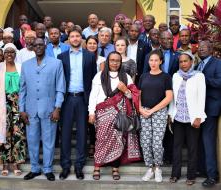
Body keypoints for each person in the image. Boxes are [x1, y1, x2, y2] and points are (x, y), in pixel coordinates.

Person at [88, 51, 141, 180]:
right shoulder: (99, 76)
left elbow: (132, 96)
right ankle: (97, 166)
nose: (115, 63)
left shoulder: (126, 76)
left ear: (120, 62)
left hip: (120, 114)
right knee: (101, 139)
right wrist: (91, 112)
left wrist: (125, 90)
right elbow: (93, 95)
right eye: (112, 60)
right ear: (108, 61)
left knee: (119, 140)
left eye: (117, 60)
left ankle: (115, 168)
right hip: (102, 113)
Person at [19, 38, 66, 181]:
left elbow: (60, 88)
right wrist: (22, 109)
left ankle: (47, 168)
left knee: (49, 141)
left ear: (45, 46)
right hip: (30, 110)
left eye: (41, 44)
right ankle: (34, 168)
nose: (38, 47)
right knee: (32, 141)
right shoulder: (26, 65)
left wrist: (57, 107)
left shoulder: (56, 63)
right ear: (32, 47)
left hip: (49, 110)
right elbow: (22, 89)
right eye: (35, 45)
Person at [57, 27, 97, 180]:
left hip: (83, 99)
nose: (75, 38)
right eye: (72, 36)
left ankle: (79, 166)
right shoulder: (61, 57)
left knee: (82, 134)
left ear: (81, 38)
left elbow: (94, 80)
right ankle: (65, 166)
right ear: (68, 39)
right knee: (65, 134)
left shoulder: (89, 56)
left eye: (77, 36)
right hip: (67, 99)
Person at [168, 52, 206, 185]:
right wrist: (170, 114)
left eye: (185, 61)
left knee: (192, 148)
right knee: (176, 147)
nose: (183, 64)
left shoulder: (199, 76)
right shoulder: (176, 76)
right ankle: (175, 174)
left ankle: (191, 176)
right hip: (178, 117)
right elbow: (173, 98)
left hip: (192, 118)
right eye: (181, 62)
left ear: (191, 62)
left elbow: (202, 98)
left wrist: (198, 117)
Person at [0, 43, 26, 176]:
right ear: (3, 54)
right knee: (3, 133)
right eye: (7, 52)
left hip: (18, 103)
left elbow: (25, 87)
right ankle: (4, 164)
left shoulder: (21, 67)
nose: (9, 54)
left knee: (18, 133)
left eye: (12, 52)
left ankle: (16, 163)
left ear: (15, 54)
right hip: (2, 104)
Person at [138, 49, 173, 183]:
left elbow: (169, 97)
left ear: (161, 61)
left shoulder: (166, 77)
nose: (153, 63)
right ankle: (150, 168)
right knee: (145, 142)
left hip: (159, 112)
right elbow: (139, 95)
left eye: (156, 60)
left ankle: (158, 168)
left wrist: (152, 110)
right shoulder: (143, 76)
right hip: (144, 111)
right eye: (151, 60)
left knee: (157, 143)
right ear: (148, 61)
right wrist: (140, 108)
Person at [196, 40, 221, 188]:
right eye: (199, 48)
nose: (201, 50)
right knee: (200, 140)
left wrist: (203, 79)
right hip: (199, 108)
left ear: (211, 49)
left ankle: (212, 175)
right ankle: (203, 169)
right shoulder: (197, 65)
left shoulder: (217, 63)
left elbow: (219, 82)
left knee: (208, 141)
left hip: (211, 107)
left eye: (204, 48)